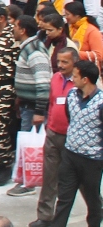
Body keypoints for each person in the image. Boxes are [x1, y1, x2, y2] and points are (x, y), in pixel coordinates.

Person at [50, 59, 103, 227]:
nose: (73, 79)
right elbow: (70, 117)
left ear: (85, 79)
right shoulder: (72, 95)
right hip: (70, 155)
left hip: (92, 160)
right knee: (64, 198)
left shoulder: (101, 103)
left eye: (75, 76)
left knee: (93, 199)